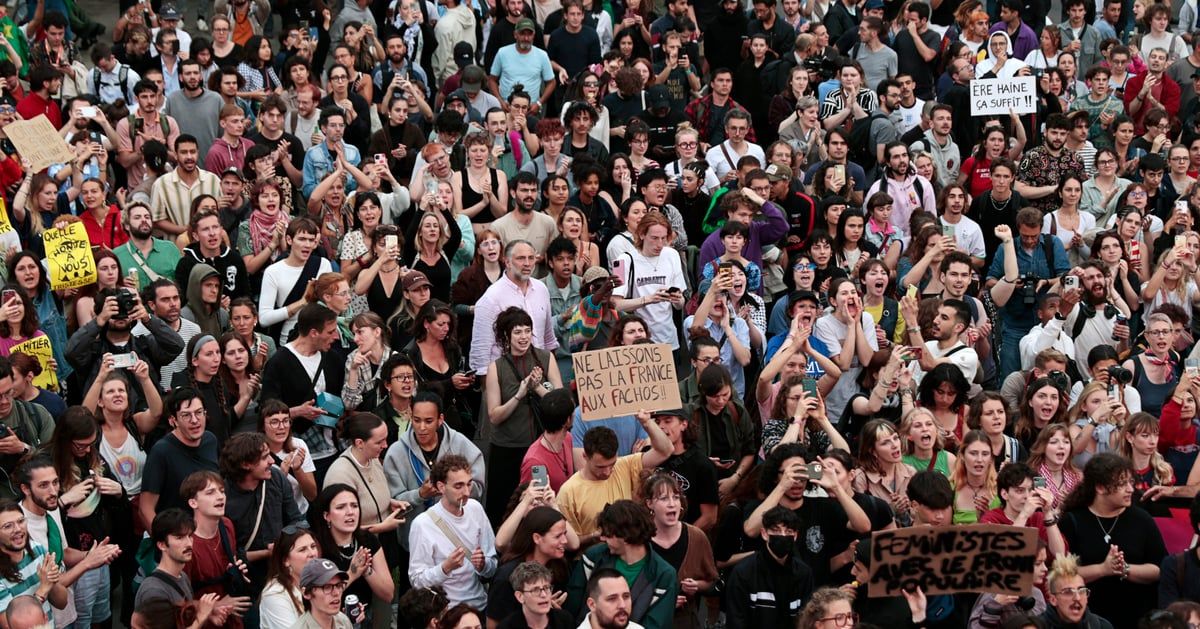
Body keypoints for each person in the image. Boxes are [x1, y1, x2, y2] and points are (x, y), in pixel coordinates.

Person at [1058, 453, 1166, 627]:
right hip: (1088, 619)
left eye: (1130, 482)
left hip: (1136, 617)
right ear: (1100, 487)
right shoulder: (1073, 521)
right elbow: (1062, 575)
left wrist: (1125, 569)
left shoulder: (1142, 520)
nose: (1131, 489)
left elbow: (1159, 568)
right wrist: (1102, 569)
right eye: (1122, 484)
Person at [563, 500, 677, 629]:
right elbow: (571, 607)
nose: (602, 538)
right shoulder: (594, 558)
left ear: (625, 535)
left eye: (607, 534)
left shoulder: (663, 574)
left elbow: (657, 624)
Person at [408, 455, 498, 609]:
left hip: (479, 606)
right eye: (458, 486)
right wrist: (445, 567)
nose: (466, 492)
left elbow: (493, 566)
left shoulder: (475, 509)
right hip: (446, 611)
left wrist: (483, 565)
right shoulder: (423, 524)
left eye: (469, 484)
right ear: (441, 487)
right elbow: (417, 581)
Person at [724, 505, 813, 629]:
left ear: (796, 536)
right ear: (764, 534)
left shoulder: (803, 573)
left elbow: (806, 620)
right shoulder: (743, 572)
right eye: (776, 530)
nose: (782, 536)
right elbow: (736, 621)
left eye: (788, 531)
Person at [258, 529, 322, 629]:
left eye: (313, 547)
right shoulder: (274, 594)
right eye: (302, 550)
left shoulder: (319, 580)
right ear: (286, 560)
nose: (312, 553)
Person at [1041, 553, 1115, 628]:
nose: (1077, 598)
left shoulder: (1102, 626)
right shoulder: (1035, 626)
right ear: (1053, 600)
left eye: (1081, 591)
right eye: (1068, 592)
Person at [294, 558, 355, 629]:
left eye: (339, 585)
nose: (336, 593)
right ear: (306, 593)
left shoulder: (344, 621)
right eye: (327, 587)